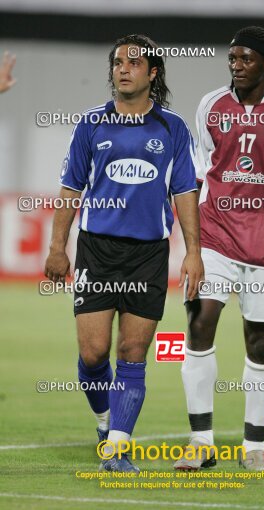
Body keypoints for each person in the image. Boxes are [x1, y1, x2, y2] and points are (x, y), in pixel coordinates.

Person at [44, 34, 203, 473]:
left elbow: (185, 191)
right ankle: (104, 422)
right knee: (94, 354)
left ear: (153, 73)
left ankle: (117, 449)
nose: (123, 69)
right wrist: (58, 247)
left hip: (149, 255)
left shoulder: (172, 128)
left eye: (133, 63)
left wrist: (194, 253)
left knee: (133, 351)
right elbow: (70, 189)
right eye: (117, 63)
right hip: (98, 250)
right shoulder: (91, 124)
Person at [174, 26, 264, 472]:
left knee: (259, 343)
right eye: (232, 59)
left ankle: (253, 447)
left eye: (245, 59)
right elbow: (196, 178)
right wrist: (193, 247)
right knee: (199, 325)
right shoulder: (211, 106)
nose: (236, 66)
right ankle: (200, 442)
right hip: (216, 237)